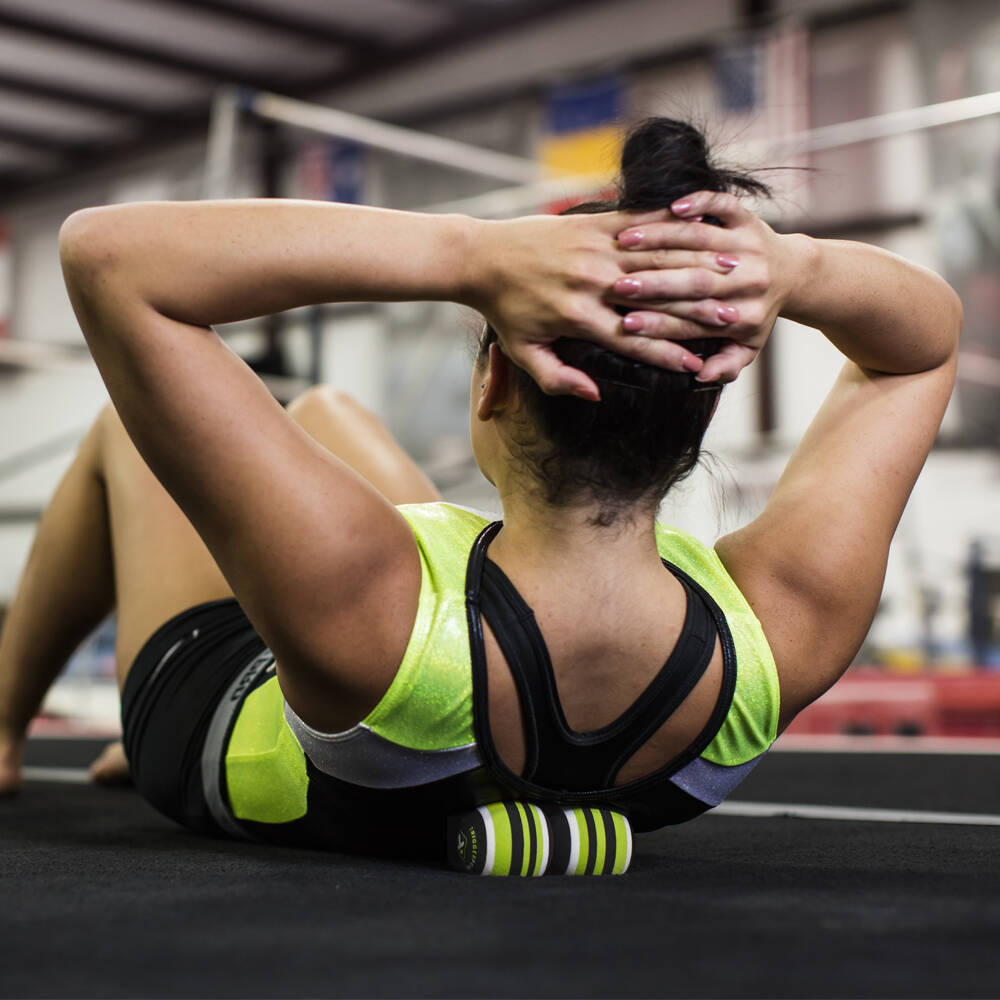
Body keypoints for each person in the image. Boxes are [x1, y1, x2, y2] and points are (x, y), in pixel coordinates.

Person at [0, 119, 960, 868]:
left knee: (125, 426)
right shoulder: (781, 626)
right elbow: (922, 348)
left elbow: (107, 255)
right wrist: (795, 266)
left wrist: (473, 256)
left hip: (224, 710)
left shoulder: (366, 597)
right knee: (327, 410)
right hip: (401, 667)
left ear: (494, 382)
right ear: (699, 409)